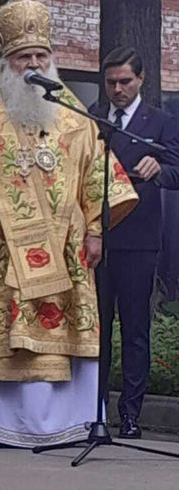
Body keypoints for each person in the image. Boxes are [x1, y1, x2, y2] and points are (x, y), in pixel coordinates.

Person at [0, 0, 139, 448]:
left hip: (65, 248)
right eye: (23, 56)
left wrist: (96, 231)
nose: (33, 63)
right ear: (7, 60)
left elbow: (98, 176)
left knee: (60, 326)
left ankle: (65, 425)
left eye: (41, 54)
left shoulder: (77, 118)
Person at [90, 47, 179, 439]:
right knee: (96, 328)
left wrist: (159, 168)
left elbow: (178, 168)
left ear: (141, 79)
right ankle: (93, 410)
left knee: (134, 328)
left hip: (139, 238)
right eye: (111, 83)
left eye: (125, 81)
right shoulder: (92, 117)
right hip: (96, 236)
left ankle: (130, 413)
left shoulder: (159, 122)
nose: (118, 90)